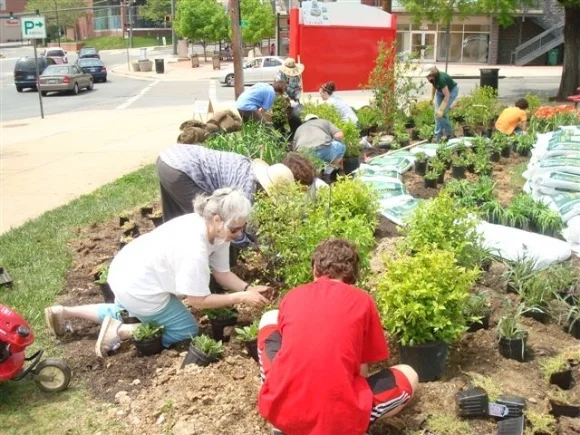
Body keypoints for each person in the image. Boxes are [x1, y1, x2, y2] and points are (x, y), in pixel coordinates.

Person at [44, 189, 271, 358]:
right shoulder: (194, 248)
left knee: (125, 309)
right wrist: (240, 298)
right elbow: (197, 301)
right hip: (139, 286)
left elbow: (222, 273)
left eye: (242, 227)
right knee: (186, 330)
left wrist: (248, 289)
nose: (240, 234)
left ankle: (64, 311)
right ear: (218, 219)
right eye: (235, 229)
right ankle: (121, 330)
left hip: (127, 270)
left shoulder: (216, 230)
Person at [257, 238, 418, 435]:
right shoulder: (362, 301)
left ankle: (285, 422)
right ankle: (352, 424)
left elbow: (292, 347)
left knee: (269, 318)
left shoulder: (293, 295)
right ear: (352, 275)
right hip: (336, 422)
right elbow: (361, 369)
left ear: (315, 268)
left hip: (281, 410)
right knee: (409, 374)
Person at [157, 144, 304, 223]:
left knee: (174, 218)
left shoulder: (248, 168)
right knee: (209, 222)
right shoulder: (246, 190)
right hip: (182, 170)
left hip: (168, 157)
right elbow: (231, 222)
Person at [426, 67, 459, 141]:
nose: (426, 78)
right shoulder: (433, 79)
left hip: (451, 91)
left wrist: (441, 109)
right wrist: (432, 97)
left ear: (432, 74)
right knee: (437, 114)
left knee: (442, 114)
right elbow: (434, 86)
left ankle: (450, 134)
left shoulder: (441, 80)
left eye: (427, 76)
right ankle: (438, 136)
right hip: (440, 91)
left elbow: (447, 95)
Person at [276, 58, 305, 139]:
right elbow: (279, 89)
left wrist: (296, 97)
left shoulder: (297, 75)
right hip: (283, 97)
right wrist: (288, 99)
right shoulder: (280, 75)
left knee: (296, 115)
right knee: (282, 116)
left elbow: (298, 88)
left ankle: (295, 132)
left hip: (294, 98)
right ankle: (282, 135)